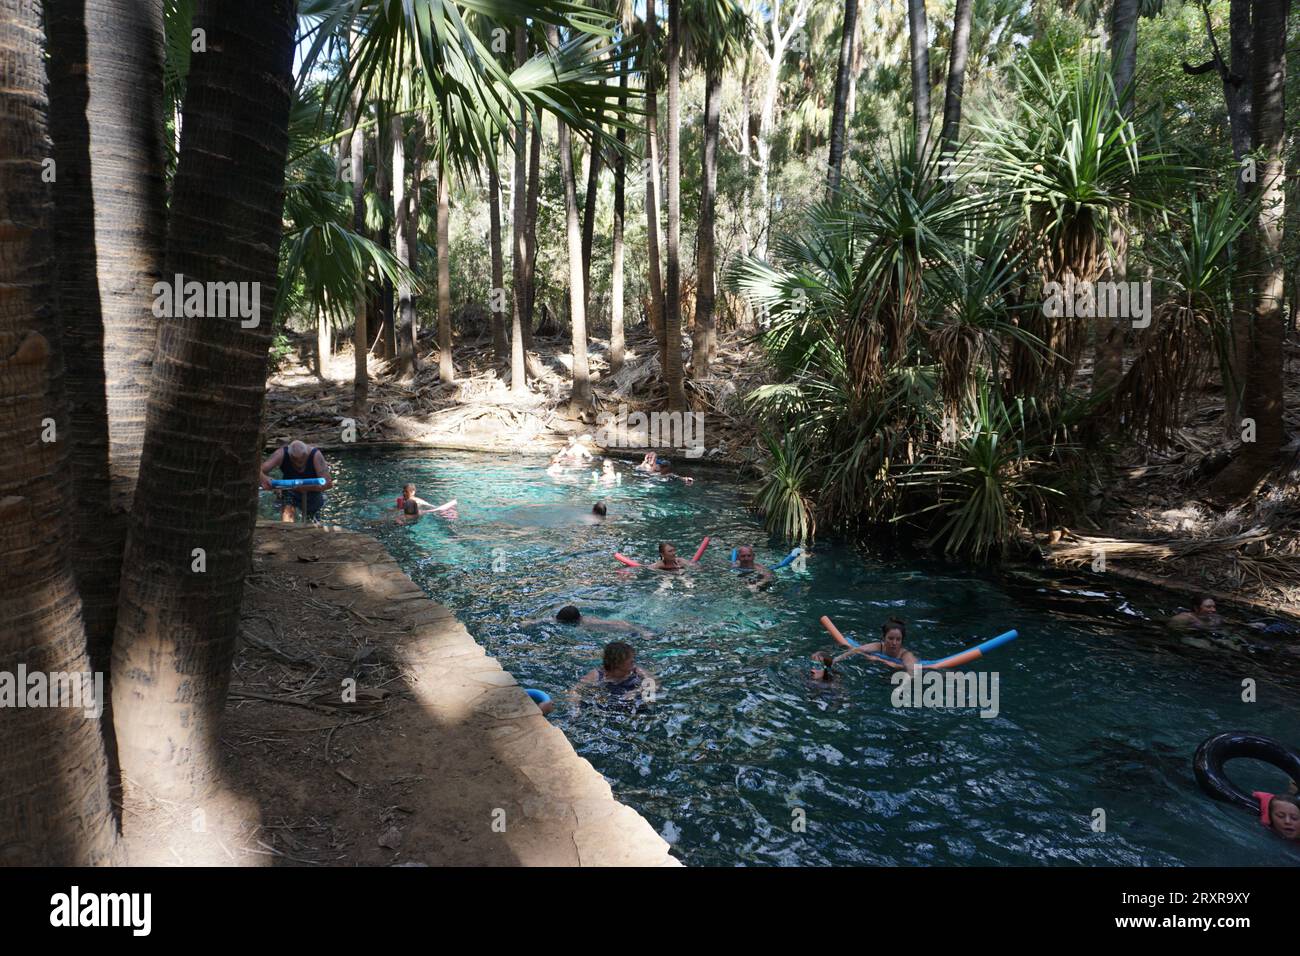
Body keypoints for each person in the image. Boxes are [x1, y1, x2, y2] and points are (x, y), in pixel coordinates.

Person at [261, 440, 332, 522]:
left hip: (312, 491)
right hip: (289, 490)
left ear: (306, 454)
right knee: (287, 516)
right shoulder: (281, 454)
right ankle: (287, 528)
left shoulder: (316, 455)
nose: (299, 464)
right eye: (295, 460)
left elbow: (328, 483)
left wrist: (305, 487)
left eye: (302, 460)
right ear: (289, 455)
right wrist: (265, 479)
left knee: (312, 521)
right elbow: (257, 470)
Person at [574, 641, 654, 704]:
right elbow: (575, 691)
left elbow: (653, 683)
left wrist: (636, 692)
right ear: (618, 662)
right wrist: (576, 709)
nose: (633, 660)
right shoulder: (597, 675)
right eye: (630, 659)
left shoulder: (636, 671)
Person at [833, 617, 919, 675]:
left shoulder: (906, 655)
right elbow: (857, 650)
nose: (894, 643)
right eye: (891, 638)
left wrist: (879, 660)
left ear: (902, 640)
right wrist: (837, 659)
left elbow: (912, 671)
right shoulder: (878, 646)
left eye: (898, 639)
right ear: (883, 638)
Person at [553, 605, 648, 636]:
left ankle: (643, 631)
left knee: (635, 630)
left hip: (619, 627)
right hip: (620, 623)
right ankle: (643, 631)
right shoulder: (586, 617)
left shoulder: (583, 625)